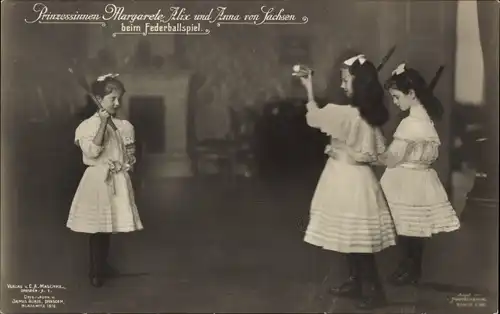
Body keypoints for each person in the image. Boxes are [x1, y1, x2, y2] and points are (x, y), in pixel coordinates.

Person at [300, 55, 396, 310]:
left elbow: (314, 118)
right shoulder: (368, 116)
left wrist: (309, 90)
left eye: (346, 80)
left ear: (359, 84)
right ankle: (356, 283)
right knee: (352, 236)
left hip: (347, 180)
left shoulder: (346, 114)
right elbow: (376, 153)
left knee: (358, 241)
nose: (343, 86)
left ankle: (375, 293)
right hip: (357, 179)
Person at [380, 63, 460, 286]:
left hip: (405, 180)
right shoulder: (427, 122)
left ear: (411, 94)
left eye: (396, 97)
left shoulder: (410, 124)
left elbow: (393, 158)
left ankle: (409, 268)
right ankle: (412, 269)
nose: (395, 102)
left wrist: (373, 152)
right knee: (414, 230)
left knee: (407, 229)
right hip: (422, 178)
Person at [67, 73, 144, 287]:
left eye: (120, 98)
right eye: (112, 99)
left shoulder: (125, 126)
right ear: (100, 100)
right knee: (98, 227)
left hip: (118, 179)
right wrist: (102, 124)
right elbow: (92, 152)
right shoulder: (87, 127)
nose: (118, 103)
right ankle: (95, 271)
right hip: (97, 179)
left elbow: (129, 155)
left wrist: (130, 167)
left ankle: (103, 264)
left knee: (108, 224)